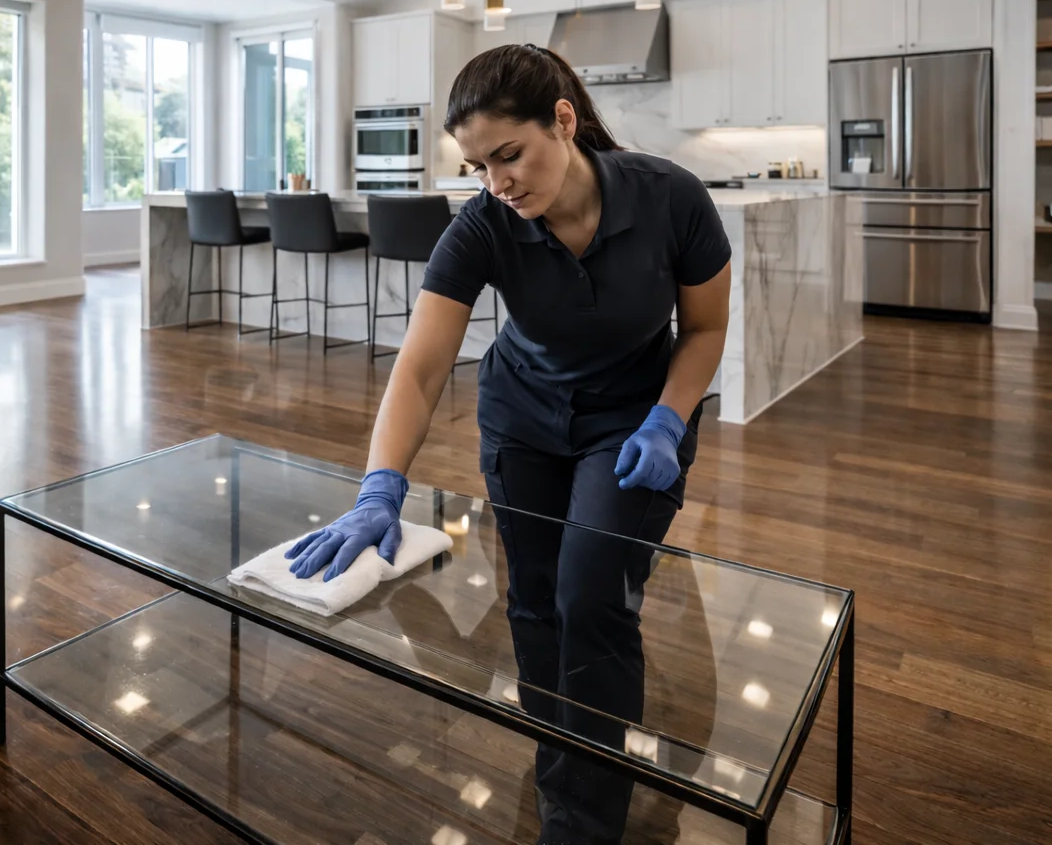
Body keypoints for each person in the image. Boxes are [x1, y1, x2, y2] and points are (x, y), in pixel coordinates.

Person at [286, 44, 731, 845]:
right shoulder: (484, 225)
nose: (498, 183)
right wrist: (379, 486)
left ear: (562, 121)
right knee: (531, 601)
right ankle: (563, 755)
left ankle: (583, 821)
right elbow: (420, 369)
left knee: (590, 597)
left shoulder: (672, 198)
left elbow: (704, 328)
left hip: (633, 423)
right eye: (478, 167)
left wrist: (669, 418)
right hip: (523, 418)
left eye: (509, 156)